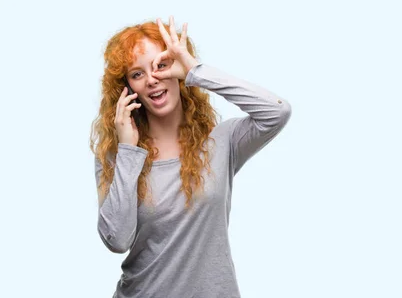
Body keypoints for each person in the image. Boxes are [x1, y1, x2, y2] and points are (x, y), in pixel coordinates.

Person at [89, 16, 291, 298]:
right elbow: (117, 240)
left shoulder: (222, 143)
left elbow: (277, 112)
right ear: (127, 89)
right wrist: (128, 150)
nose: (151, 80)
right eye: (137, 74)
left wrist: (195, 70)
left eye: (161, 65)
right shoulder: (118, 154)